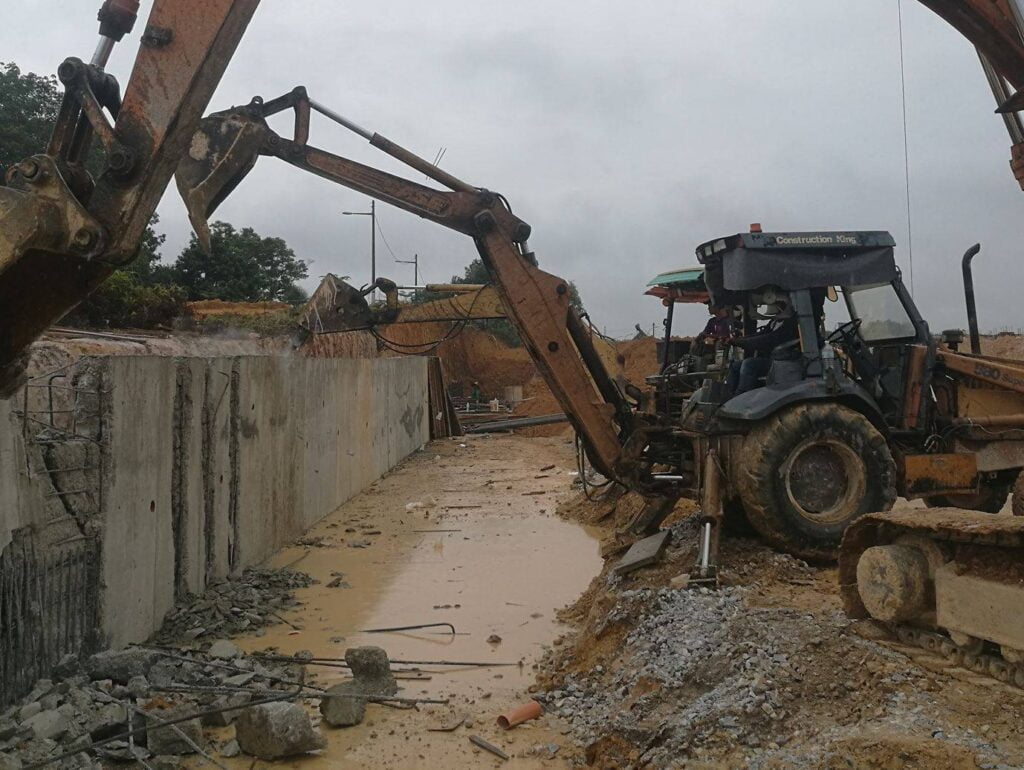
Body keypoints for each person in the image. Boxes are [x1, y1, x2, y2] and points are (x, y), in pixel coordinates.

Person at [727, 301, 799, 394]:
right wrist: (738, 340)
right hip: (772, 359)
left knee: (749, 364)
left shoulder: (790, 325)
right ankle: (729, 393)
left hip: (782, 361)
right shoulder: (774, 322)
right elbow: (761, 334)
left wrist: (739, 342)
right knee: (735, 366)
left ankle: (742, 394)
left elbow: (768, 339)